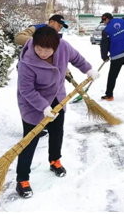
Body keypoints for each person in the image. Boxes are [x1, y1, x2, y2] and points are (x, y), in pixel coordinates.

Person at [16, 26, 100, 198]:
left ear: (56, 46)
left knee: (56, 132)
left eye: (47, 50)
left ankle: (54, 160)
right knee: (30, 140)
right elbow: (26, 90)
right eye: (39, 48)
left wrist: (88, 69)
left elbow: (77, 58)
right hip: (33, 103)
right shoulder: (27, 61)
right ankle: (22, 179)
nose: (42, 53)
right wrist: (43, 107)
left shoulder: (63, 47)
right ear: (34, 44)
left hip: (57, 98)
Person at [15, 14, 70, 138]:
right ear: (51, 22)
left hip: (47, 73)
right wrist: (36, 42)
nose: (59, 28)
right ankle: (33, 127)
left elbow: (59, 58)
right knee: (33, 99)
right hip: (30, 70)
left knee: (48, 100)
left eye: (62, 27)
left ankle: (43, 126)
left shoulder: (57, 37)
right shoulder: (36, 29)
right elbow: (18, 38)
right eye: (58, 25)